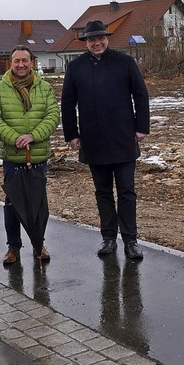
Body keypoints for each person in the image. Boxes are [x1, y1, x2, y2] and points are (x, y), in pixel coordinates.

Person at [60, 20, 150, 260]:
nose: (96, 43)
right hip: (93, 140)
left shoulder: (125, 62)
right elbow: (67, 104)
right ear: (86, 42)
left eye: (100, 38)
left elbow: (141, 95)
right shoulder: (76, 67)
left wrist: (141, 127)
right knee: (102, 192)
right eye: (91, 39)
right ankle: (108, 238)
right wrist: (72, 134)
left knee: (127, 191)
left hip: (123, 138)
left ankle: (131, 240)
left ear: (107, 39)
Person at [0, 45, 60, 264]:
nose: (21, 65)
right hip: (13, 157)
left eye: (25, 61)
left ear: (32, 63)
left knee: (39, 203)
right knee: (12, 204)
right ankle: (13, 247)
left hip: (37, 156)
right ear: (11, 63)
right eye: (17, 61)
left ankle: (39, 244)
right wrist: (14, 138)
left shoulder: (44, 87)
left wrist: (33, 135)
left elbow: (52, 115)